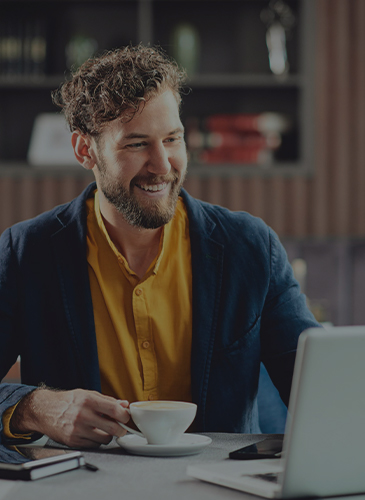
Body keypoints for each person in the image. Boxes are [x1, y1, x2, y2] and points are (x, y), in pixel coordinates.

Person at [0, 44, 319, 449]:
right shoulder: (27, 252)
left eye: (172, 138)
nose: (163, 164)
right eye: (136, 144)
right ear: (85, 150)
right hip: (85, 485)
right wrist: (33, 407)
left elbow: (320, 390)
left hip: (220, 487)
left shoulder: (250, 247)